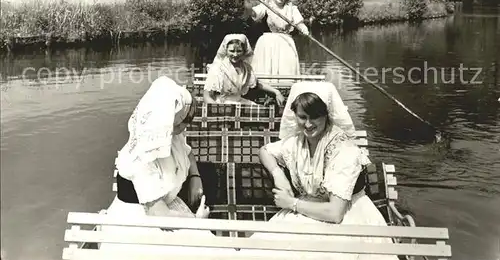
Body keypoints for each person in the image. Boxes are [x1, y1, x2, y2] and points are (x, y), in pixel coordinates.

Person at [247, 81, 398, 260]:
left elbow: (335, 213)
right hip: (306, 213)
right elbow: (265, 151)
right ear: (294, 114)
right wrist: (278, 175)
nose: (308, 124)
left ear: (327, 114)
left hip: (346, 220)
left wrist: (291, 203)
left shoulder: (343, 149)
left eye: (315, 116)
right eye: (302, 117)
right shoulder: (297, 142)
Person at [100, 76, 232, 255]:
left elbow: (188, 152)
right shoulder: (143, 158)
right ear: (169, 121)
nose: (187, 125)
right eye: (184, 121)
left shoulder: (169, 135)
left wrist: (195, 178)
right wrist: (197, 221)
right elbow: (159, 216)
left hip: (168, 207)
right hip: (143, 222)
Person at [240, 0, 309, 82]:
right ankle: (265, 90)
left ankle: (286, 90)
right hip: (267, 43)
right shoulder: (265, 6)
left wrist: (304, 29)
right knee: (265, 70)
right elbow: (252, 13)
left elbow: (299, 23)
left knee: (286, 70)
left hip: (286, 43)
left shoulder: (292, 8)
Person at [203, 33, 285, 106]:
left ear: (244, 51)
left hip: (239, 102)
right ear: (226, 50)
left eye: (239, 51)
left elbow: (256, 84)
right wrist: (218, 110)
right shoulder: (218, 68)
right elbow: (207, 96)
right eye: (231, 51)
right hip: (221, 103)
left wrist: (276, 92)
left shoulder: (246, 68)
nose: (235, 55)